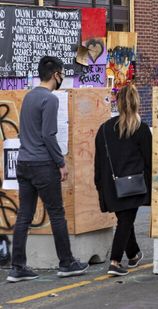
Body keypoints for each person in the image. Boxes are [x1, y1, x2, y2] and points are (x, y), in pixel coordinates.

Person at [8, 57, 89, 282]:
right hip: (43, 164)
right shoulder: (50, 100)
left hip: (24, 163)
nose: (62, 78)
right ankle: (67, 263)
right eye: (62, 74)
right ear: (56, 75)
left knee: (24, 215)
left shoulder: (29, 96)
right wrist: (60, 163)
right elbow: (48, 135)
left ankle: (18, 267)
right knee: (57, 214)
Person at [94, 84, 151, 276]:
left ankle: (133, 254)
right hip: (133, 185)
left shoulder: (104, 129)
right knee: (125, 221)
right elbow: (149, 159)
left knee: (125, 219)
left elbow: (99, 161)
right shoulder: (141, 129)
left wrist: (99, 185)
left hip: (110, 184)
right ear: (137, 104)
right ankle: (115, 261)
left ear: (117, 103)